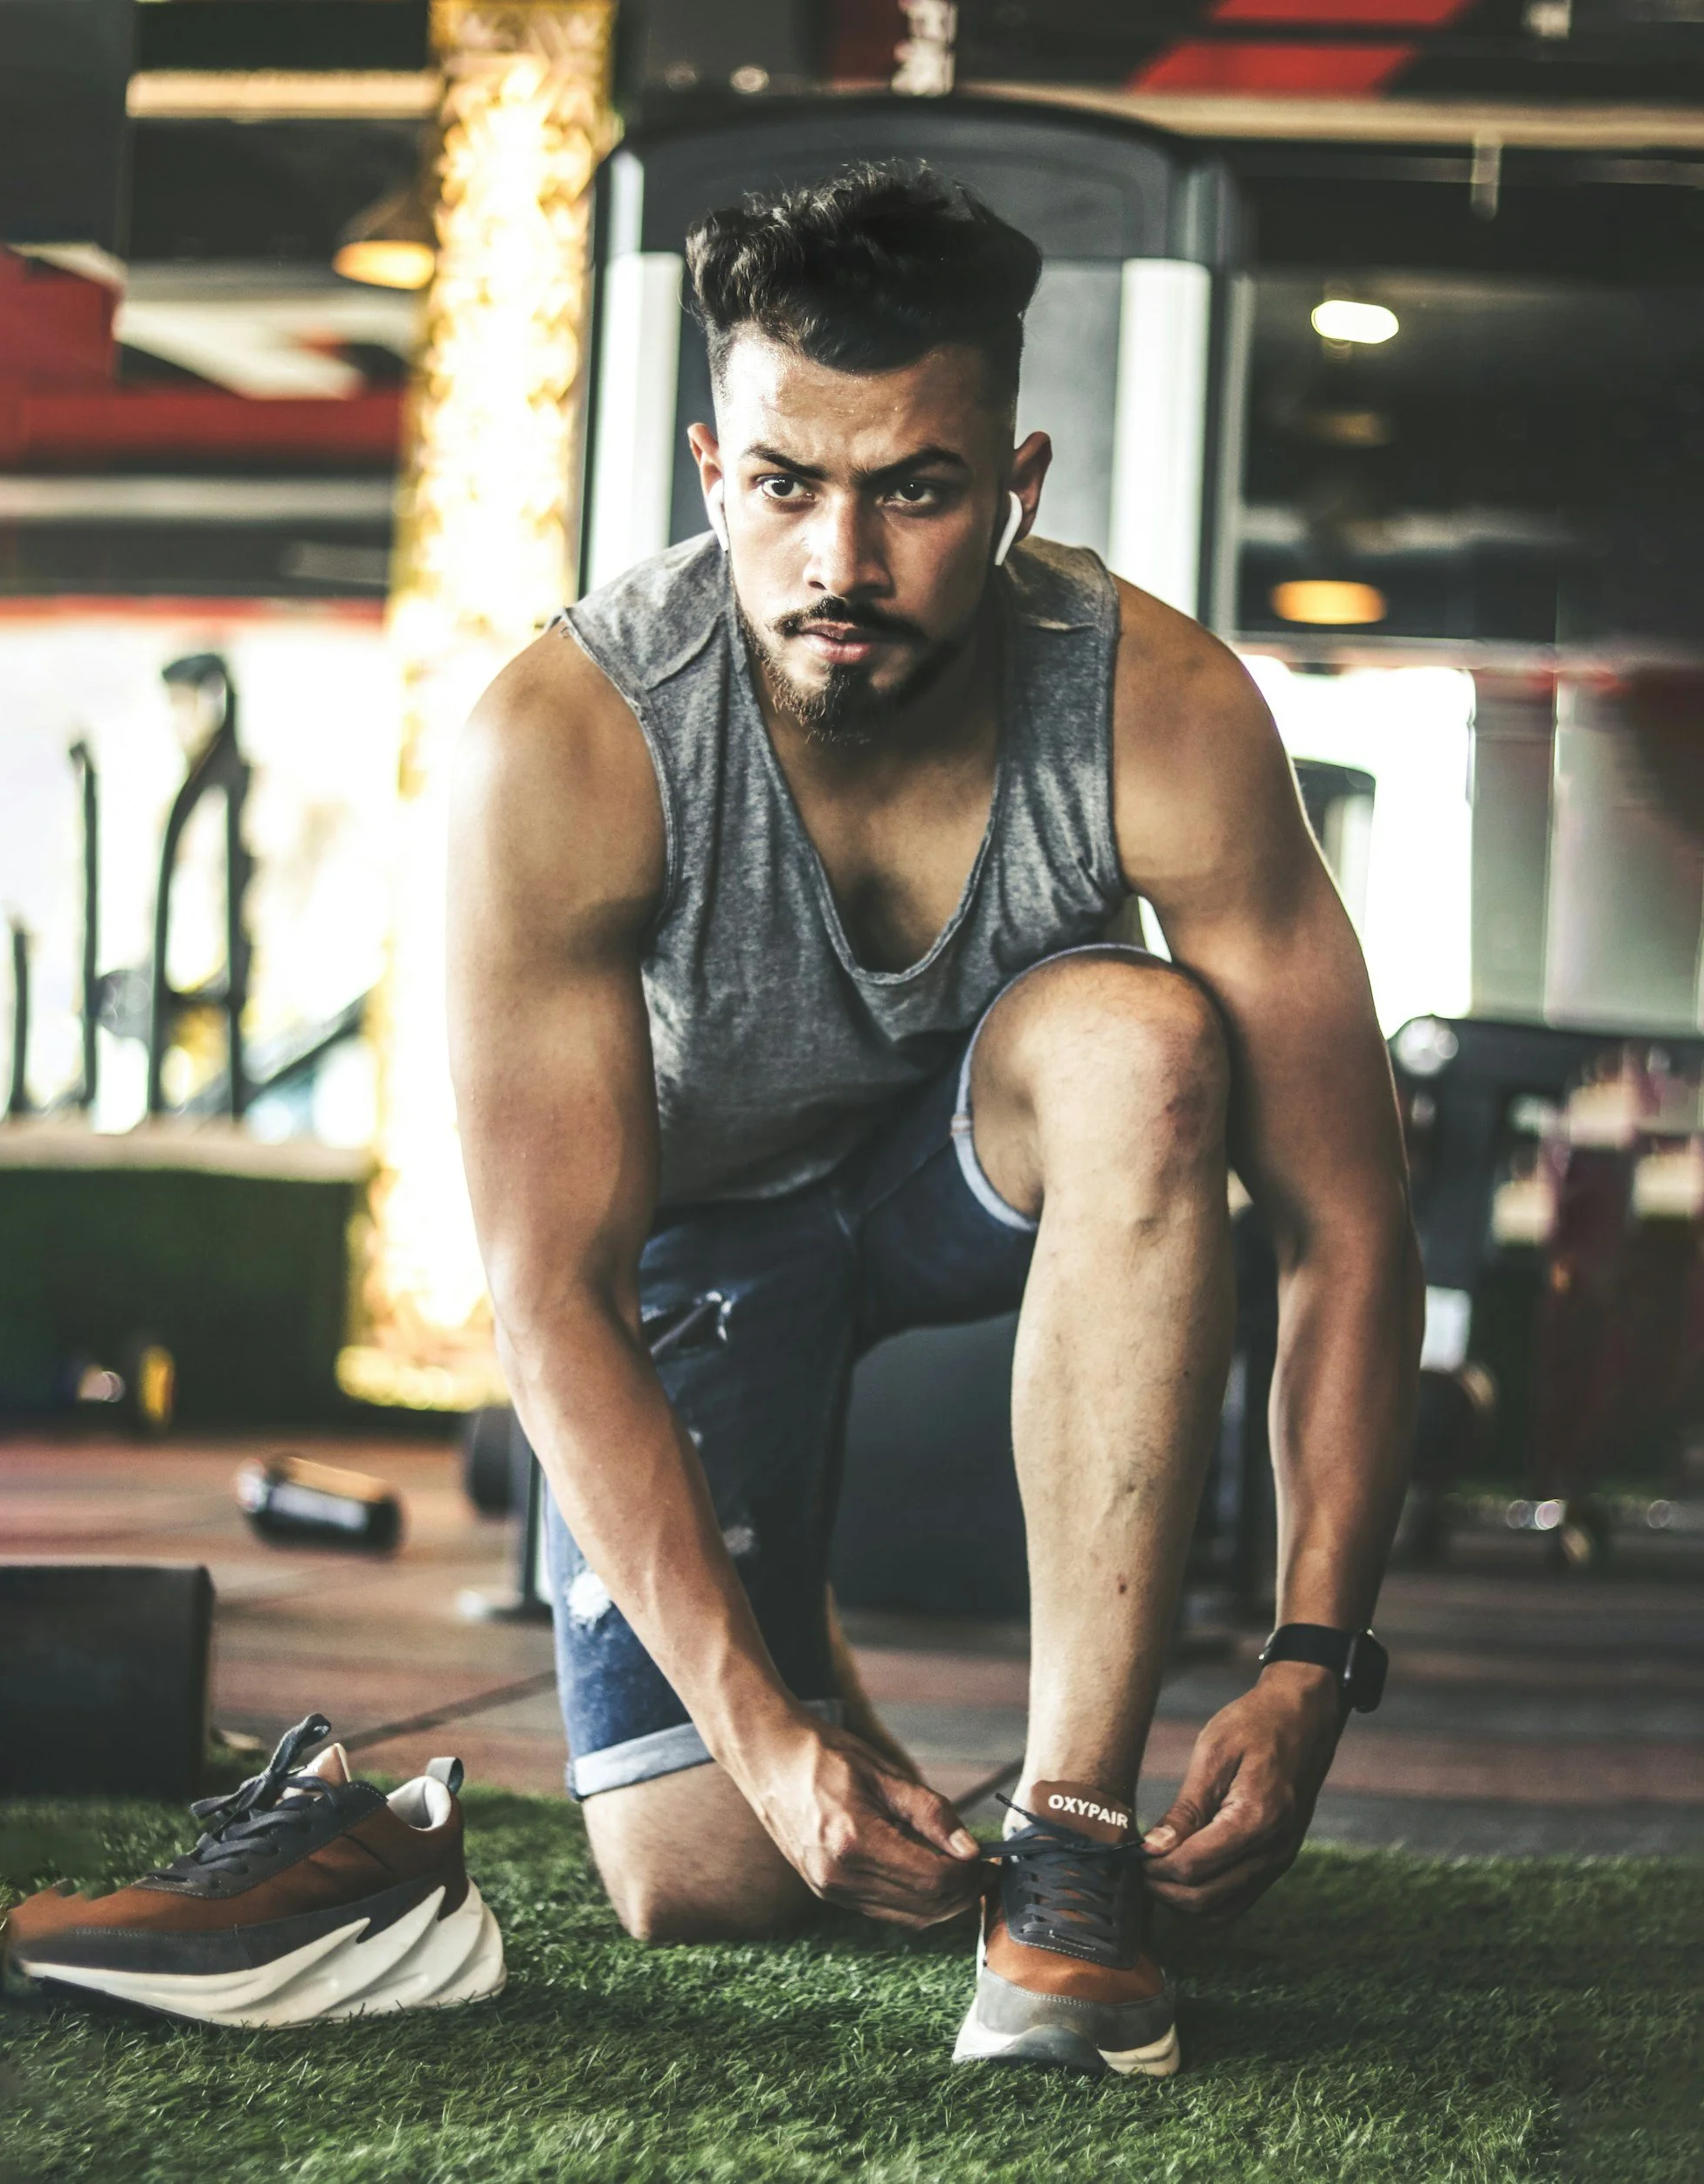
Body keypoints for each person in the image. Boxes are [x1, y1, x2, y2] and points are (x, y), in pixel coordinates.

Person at [447, 162, 1420, 2077]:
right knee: (706, 1867)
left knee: (1146, 1039)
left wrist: (1315, 1655)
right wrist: (764, 1732)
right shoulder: (570, 736)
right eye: (791, 485)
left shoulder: (1156, 701)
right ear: (715, 469)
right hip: (694, 1251)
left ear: (1014, 483)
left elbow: (1347, 1214)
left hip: (959, 1172)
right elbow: (548, 1287)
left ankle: (1067, 1847)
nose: (843, 559)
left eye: (915, 488)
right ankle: (802, 1649)